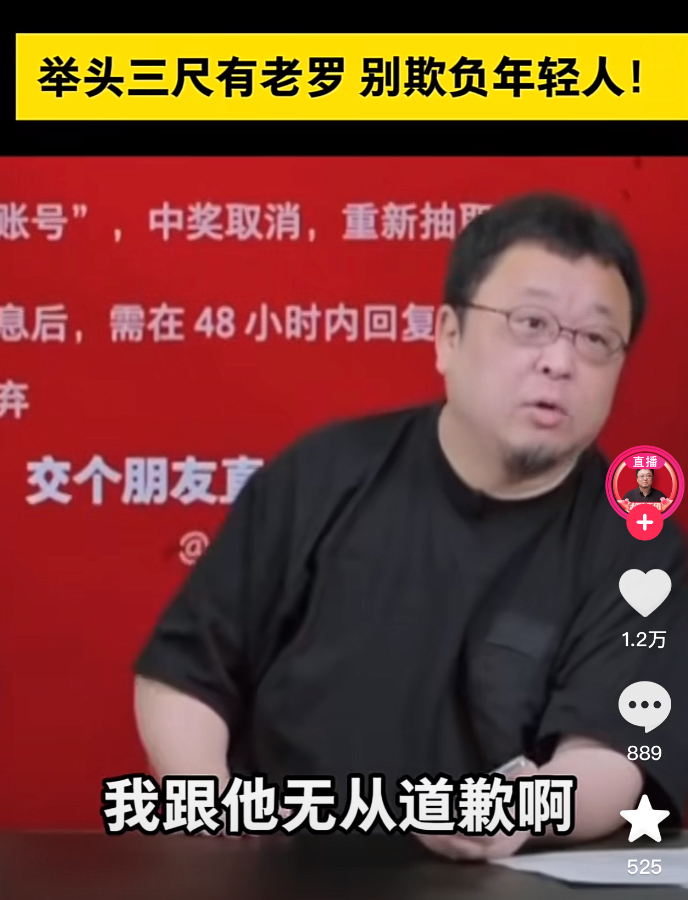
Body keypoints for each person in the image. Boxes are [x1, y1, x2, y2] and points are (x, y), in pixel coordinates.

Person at [133, 192, 688, 862]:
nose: (559, 362)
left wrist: (519, 809)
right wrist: (210, 812)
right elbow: (184, 673)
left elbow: (614, 754)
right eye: (531, 323)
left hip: (495, 880)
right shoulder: (322, 475)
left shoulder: (636, 546)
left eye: (596, 339)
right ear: (448, 337)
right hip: (283, 869)